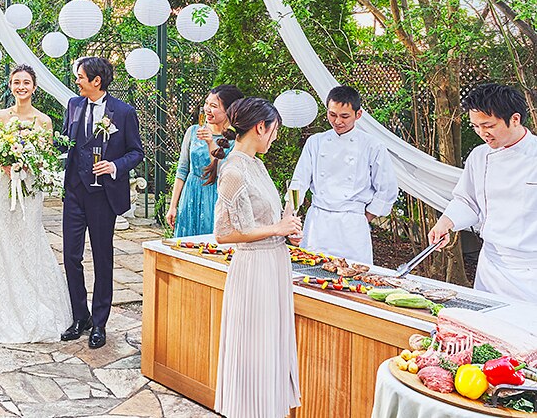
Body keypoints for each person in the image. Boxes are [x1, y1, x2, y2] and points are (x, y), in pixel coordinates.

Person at [0, 64, 72, 342]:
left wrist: (28, 165)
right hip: (4, 186)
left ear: (34, 87)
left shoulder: (44, 121)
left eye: (26, 82)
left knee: (28, 235)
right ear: (11, 86)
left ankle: (32, 298)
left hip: (30, 188)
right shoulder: (0, 116)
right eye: (17, 82)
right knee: (0, 236)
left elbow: (45, 157)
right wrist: (6, 164)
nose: (21, 87)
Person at [214, 97, 302, 418]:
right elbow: (223, 233)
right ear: (261, 127)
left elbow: (263, 221)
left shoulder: (257, 165)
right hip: (254, 269)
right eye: (275, 130)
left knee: (271, 346)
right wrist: (277, 228)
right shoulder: (234, 171)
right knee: (254, 347)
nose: (275, 138)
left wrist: (286, 228)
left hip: (275, 264)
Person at [61, 56, 144, 349]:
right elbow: (66, 141)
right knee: (71, 256)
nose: (77, 81)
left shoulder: (123, 112)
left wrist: (114, 166)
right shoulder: (73, 105)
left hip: (103, 196)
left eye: (81, 77)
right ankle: (80, 317)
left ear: (96, 81)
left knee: (102, 257)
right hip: (74, 191)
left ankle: (99, 323)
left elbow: (136, 152)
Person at [428, 83, 537, 302]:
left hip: (531, 268)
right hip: (492, 266)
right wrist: (445, 223)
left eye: (488, 126)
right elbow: (467, 201)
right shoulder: (479, 156)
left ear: (515, 119)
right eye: (476, 126)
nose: (481, 133)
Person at [287, 85, 398, 264]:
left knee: (354, 275)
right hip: (318, 223)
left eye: (344, 116)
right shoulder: (315, 142)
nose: (337, 121)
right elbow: (298, 182)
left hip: (352, 227)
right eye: (332, 115)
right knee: (312, 271)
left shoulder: (372, 146)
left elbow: (387, 189)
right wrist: (289, 218)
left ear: (358, 114)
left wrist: (364, 216)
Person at [165, 85, 242, 237]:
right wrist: (173, 206)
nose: (207, 109)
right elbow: (182, 169)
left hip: (217, 197)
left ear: (229, 110)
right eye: (206, 103)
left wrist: (210, 142)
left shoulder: (237, 140)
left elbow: (223, 173)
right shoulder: (193, 131)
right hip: (191, 195)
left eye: (214, 106)